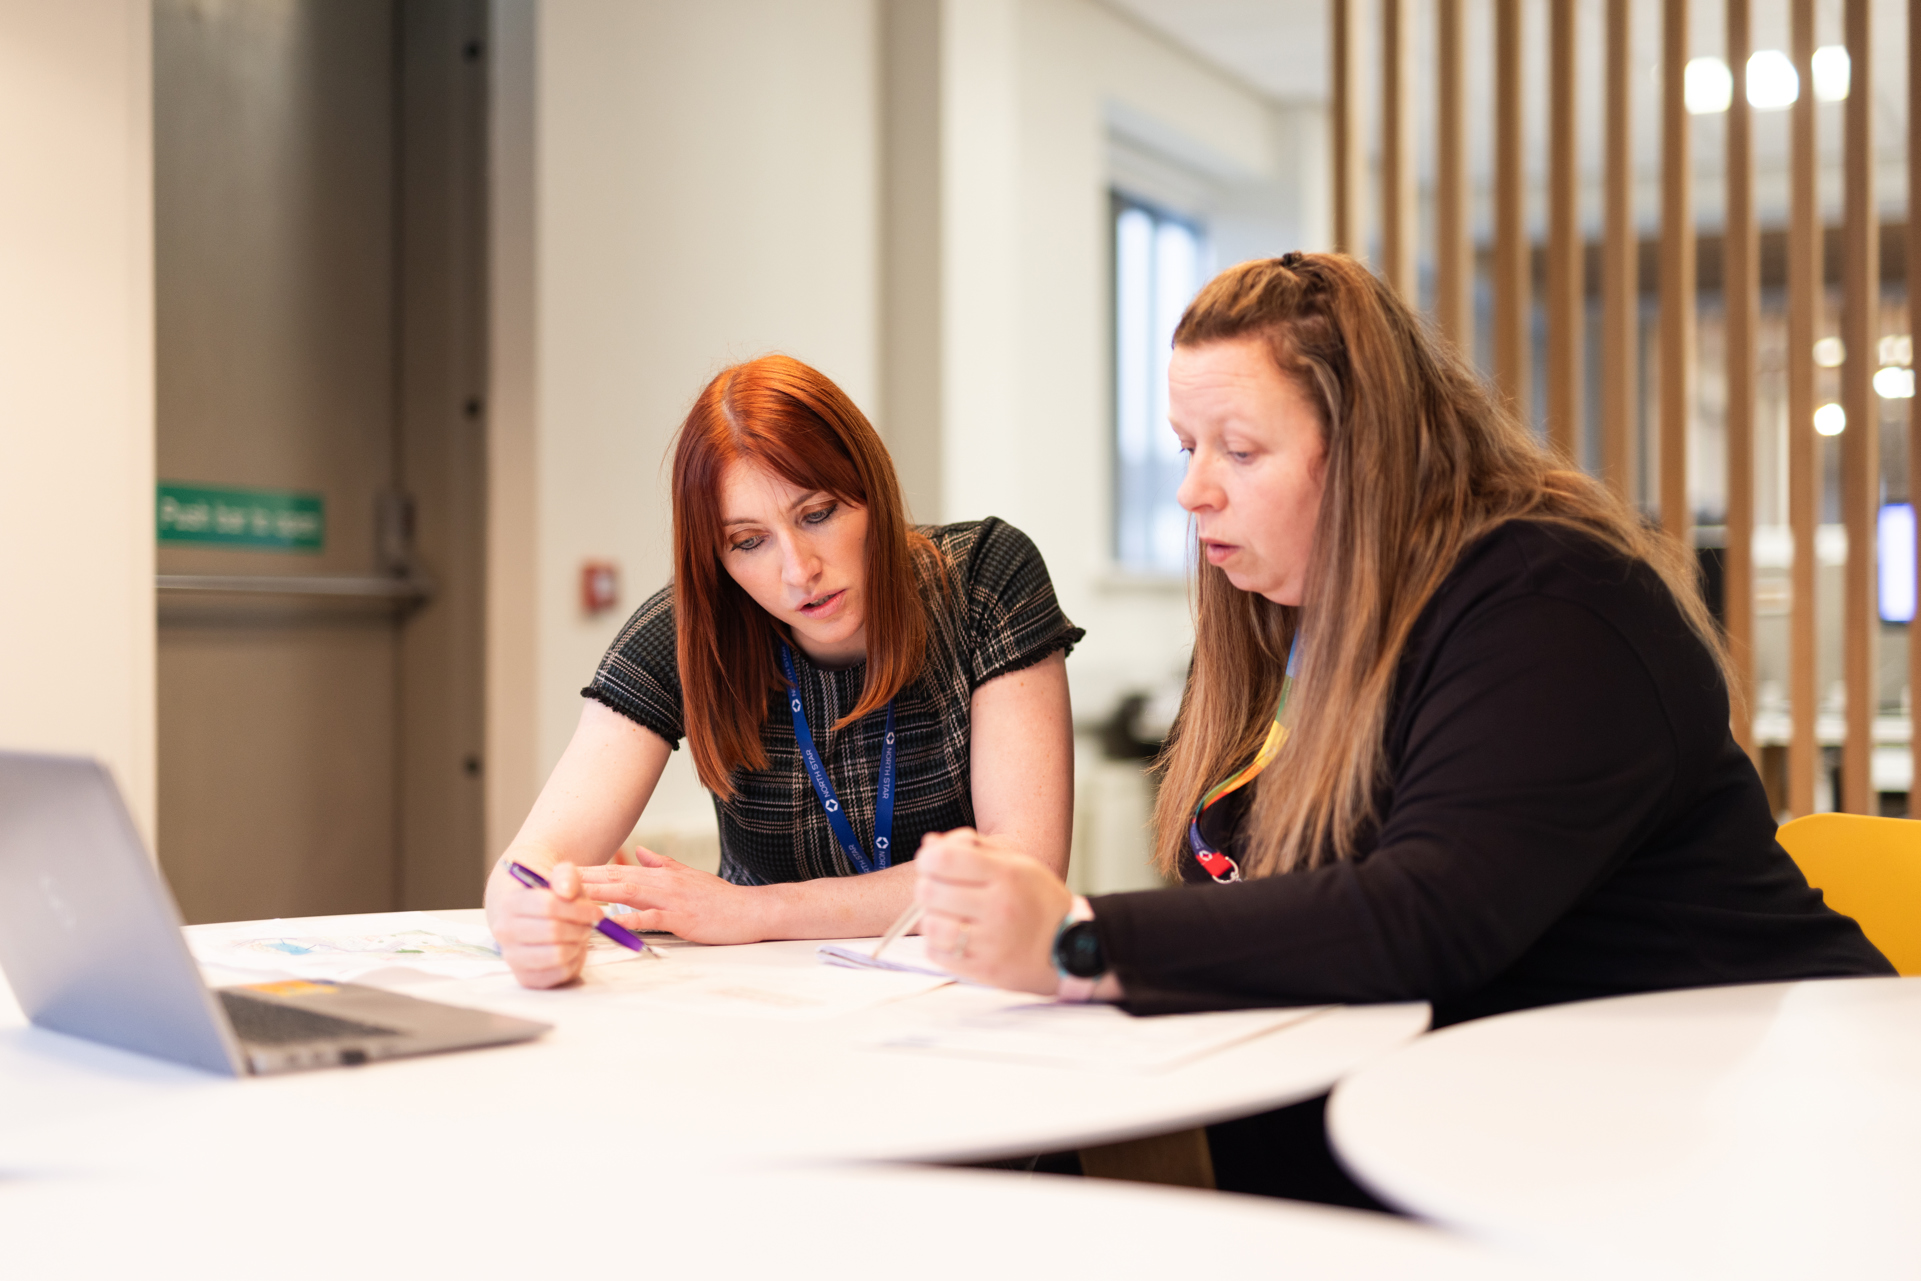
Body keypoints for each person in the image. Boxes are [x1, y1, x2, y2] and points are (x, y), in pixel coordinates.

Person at [911, 252, 1893, 1202]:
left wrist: (1078, 939)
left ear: (1368, 454)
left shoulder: (1550, 604)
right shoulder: (1303, 621)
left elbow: (1427, 915)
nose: (1193, 490)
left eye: (1240, 451)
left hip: (1749, 1116)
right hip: (1523, 1094)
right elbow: (1261, 887)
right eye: (1186, 447)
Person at [487, 354, 1081, 988]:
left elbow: (1024, 865)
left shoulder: (985, 578)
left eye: (818, 514)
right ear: (716, 555)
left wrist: (754, 910)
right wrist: (529, 923)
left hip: (969, 998)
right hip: (767, 1015)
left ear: (872, 493)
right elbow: (525, 867)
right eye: (748, 541)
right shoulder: (687, 632)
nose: (799, 571)